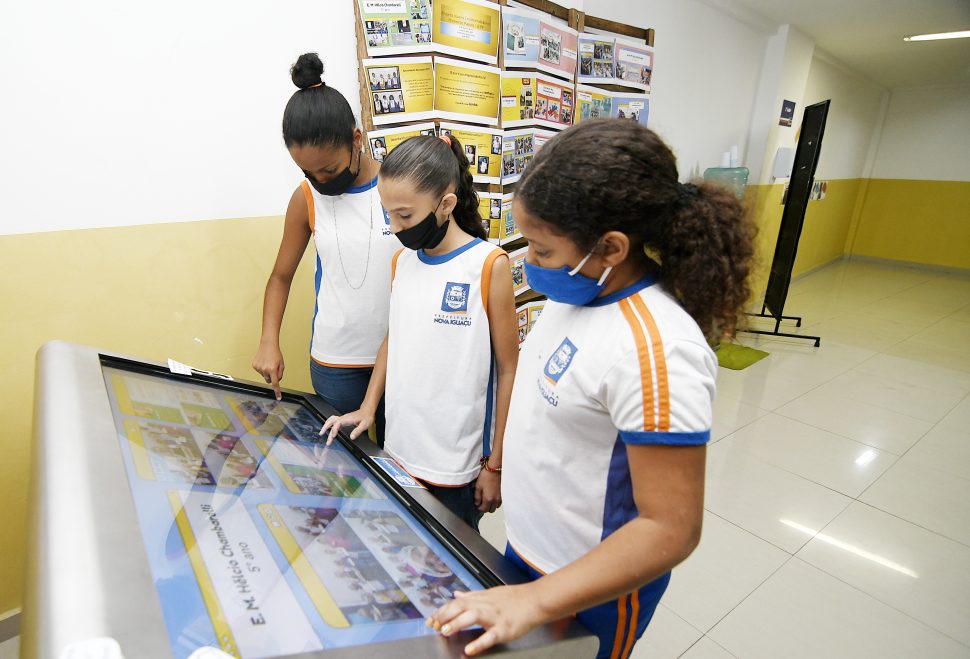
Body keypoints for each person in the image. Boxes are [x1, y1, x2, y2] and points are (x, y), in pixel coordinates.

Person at [426, 119, 754, 657]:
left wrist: (534, 601)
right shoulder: (578, 295)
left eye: (542, 250)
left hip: (592, 586)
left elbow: (670, 528)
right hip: (531, 552)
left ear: (611, 248)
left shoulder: (658, 349)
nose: (530, 264)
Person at [321, 134, 518, 530]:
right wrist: (368, 407)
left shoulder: (488, 265)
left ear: (446, 204)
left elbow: (509, 369)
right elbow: (394, 338)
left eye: (405, 216)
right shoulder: (402, 262)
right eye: (388, 215)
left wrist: (496, 463)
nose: (395, 228)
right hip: (400, 452)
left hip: (456, 466)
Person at [252, 53, 398, 445]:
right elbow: (280, 277)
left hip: (401, 356)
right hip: (336, 364)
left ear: (356, 140)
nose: (320, 180)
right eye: (308, 172)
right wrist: (268, 340)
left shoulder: (399, 187)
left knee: (400, 465)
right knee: (344, 468)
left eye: (329, 170)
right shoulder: (306, 199)